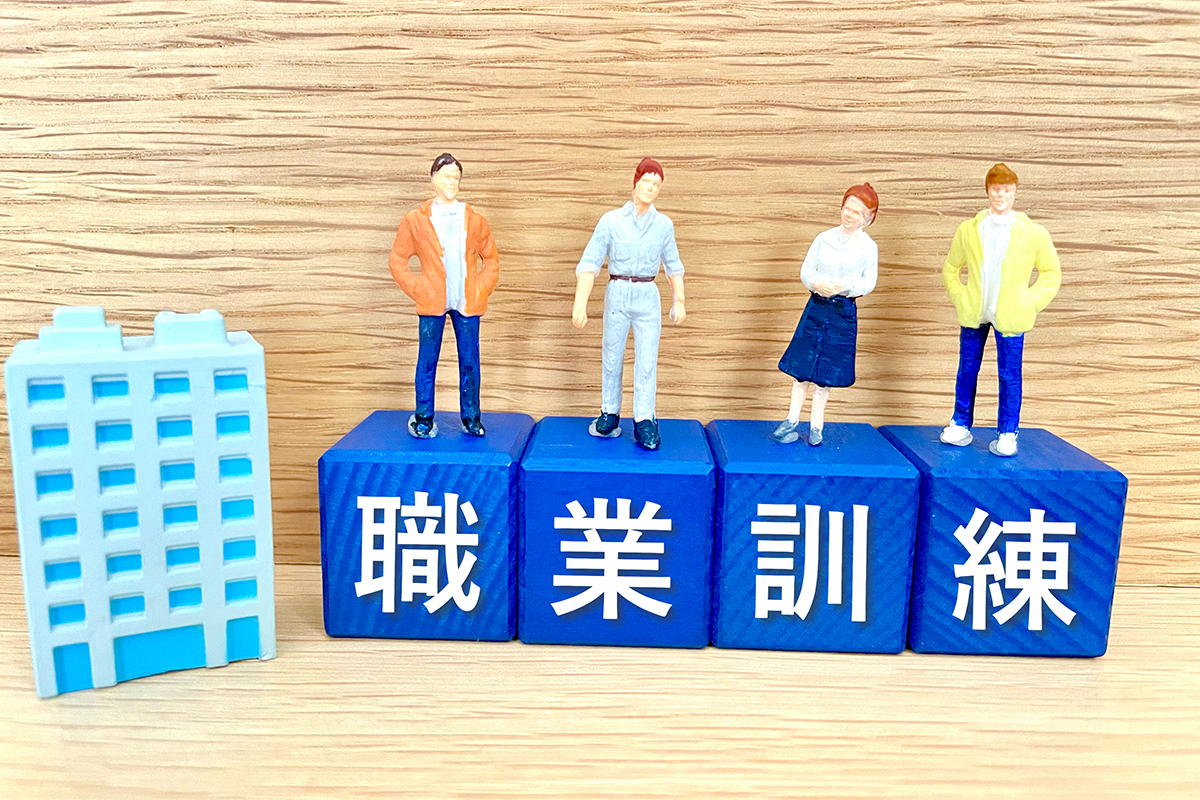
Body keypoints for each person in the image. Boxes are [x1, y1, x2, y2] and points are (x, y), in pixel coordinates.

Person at [939, 163, 1061, 457]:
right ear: (988, 191)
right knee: (967, 369)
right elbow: (951, 268)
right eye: (995, 189)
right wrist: (961, 297)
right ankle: (960, 423)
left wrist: (1030, 303)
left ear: (1014, 192)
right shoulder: (969, 230)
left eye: (1006, 190)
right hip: (975, 311)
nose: (1000, 195)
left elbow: (1051, 274)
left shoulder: (1033, 234)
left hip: (1011, 314)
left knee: (1009, 375)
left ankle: (1007, 432)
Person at [571, 158, 686, 451]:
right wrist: (580, 303)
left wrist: (679, 299)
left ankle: (644, 419)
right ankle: (609, 412)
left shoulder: (663, 225)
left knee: (646, 361)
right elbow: (590, 262)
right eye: (646, 181)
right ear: (635, 183)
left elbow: (673, 266)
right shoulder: (611, 221)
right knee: (612, 355)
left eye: (657, 184)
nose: (651, 188)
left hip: (647, 294)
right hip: (618, 292)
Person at [387, 153, 499, 439]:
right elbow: (398, 260)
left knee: (470, 361)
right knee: (427, 360)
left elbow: (491, 259)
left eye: (456, 177)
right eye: (446, 176)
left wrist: (482, 287)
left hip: (467, 302)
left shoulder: (474, 220)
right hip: (432, 302)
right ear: (433, 178)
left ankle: (471, 417)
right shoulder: (415, 221)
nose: (452, 182)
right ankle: (424, 417)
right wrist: (418, 288)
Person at [772, 184, 879, 446]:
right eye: (847, 208)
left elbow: (869, 282)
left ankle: (816, 425)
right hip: (817, 308)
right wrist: (815, 283)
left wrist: (844, 287)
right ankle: (791, 418)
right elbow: (806, 270)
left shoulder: (868, 248)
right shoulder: (823, 239)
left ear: (867, 218)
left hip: (842, 313)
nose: (849, 215)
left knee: (825, 376)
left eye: (856, 212)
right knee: (801, 369)